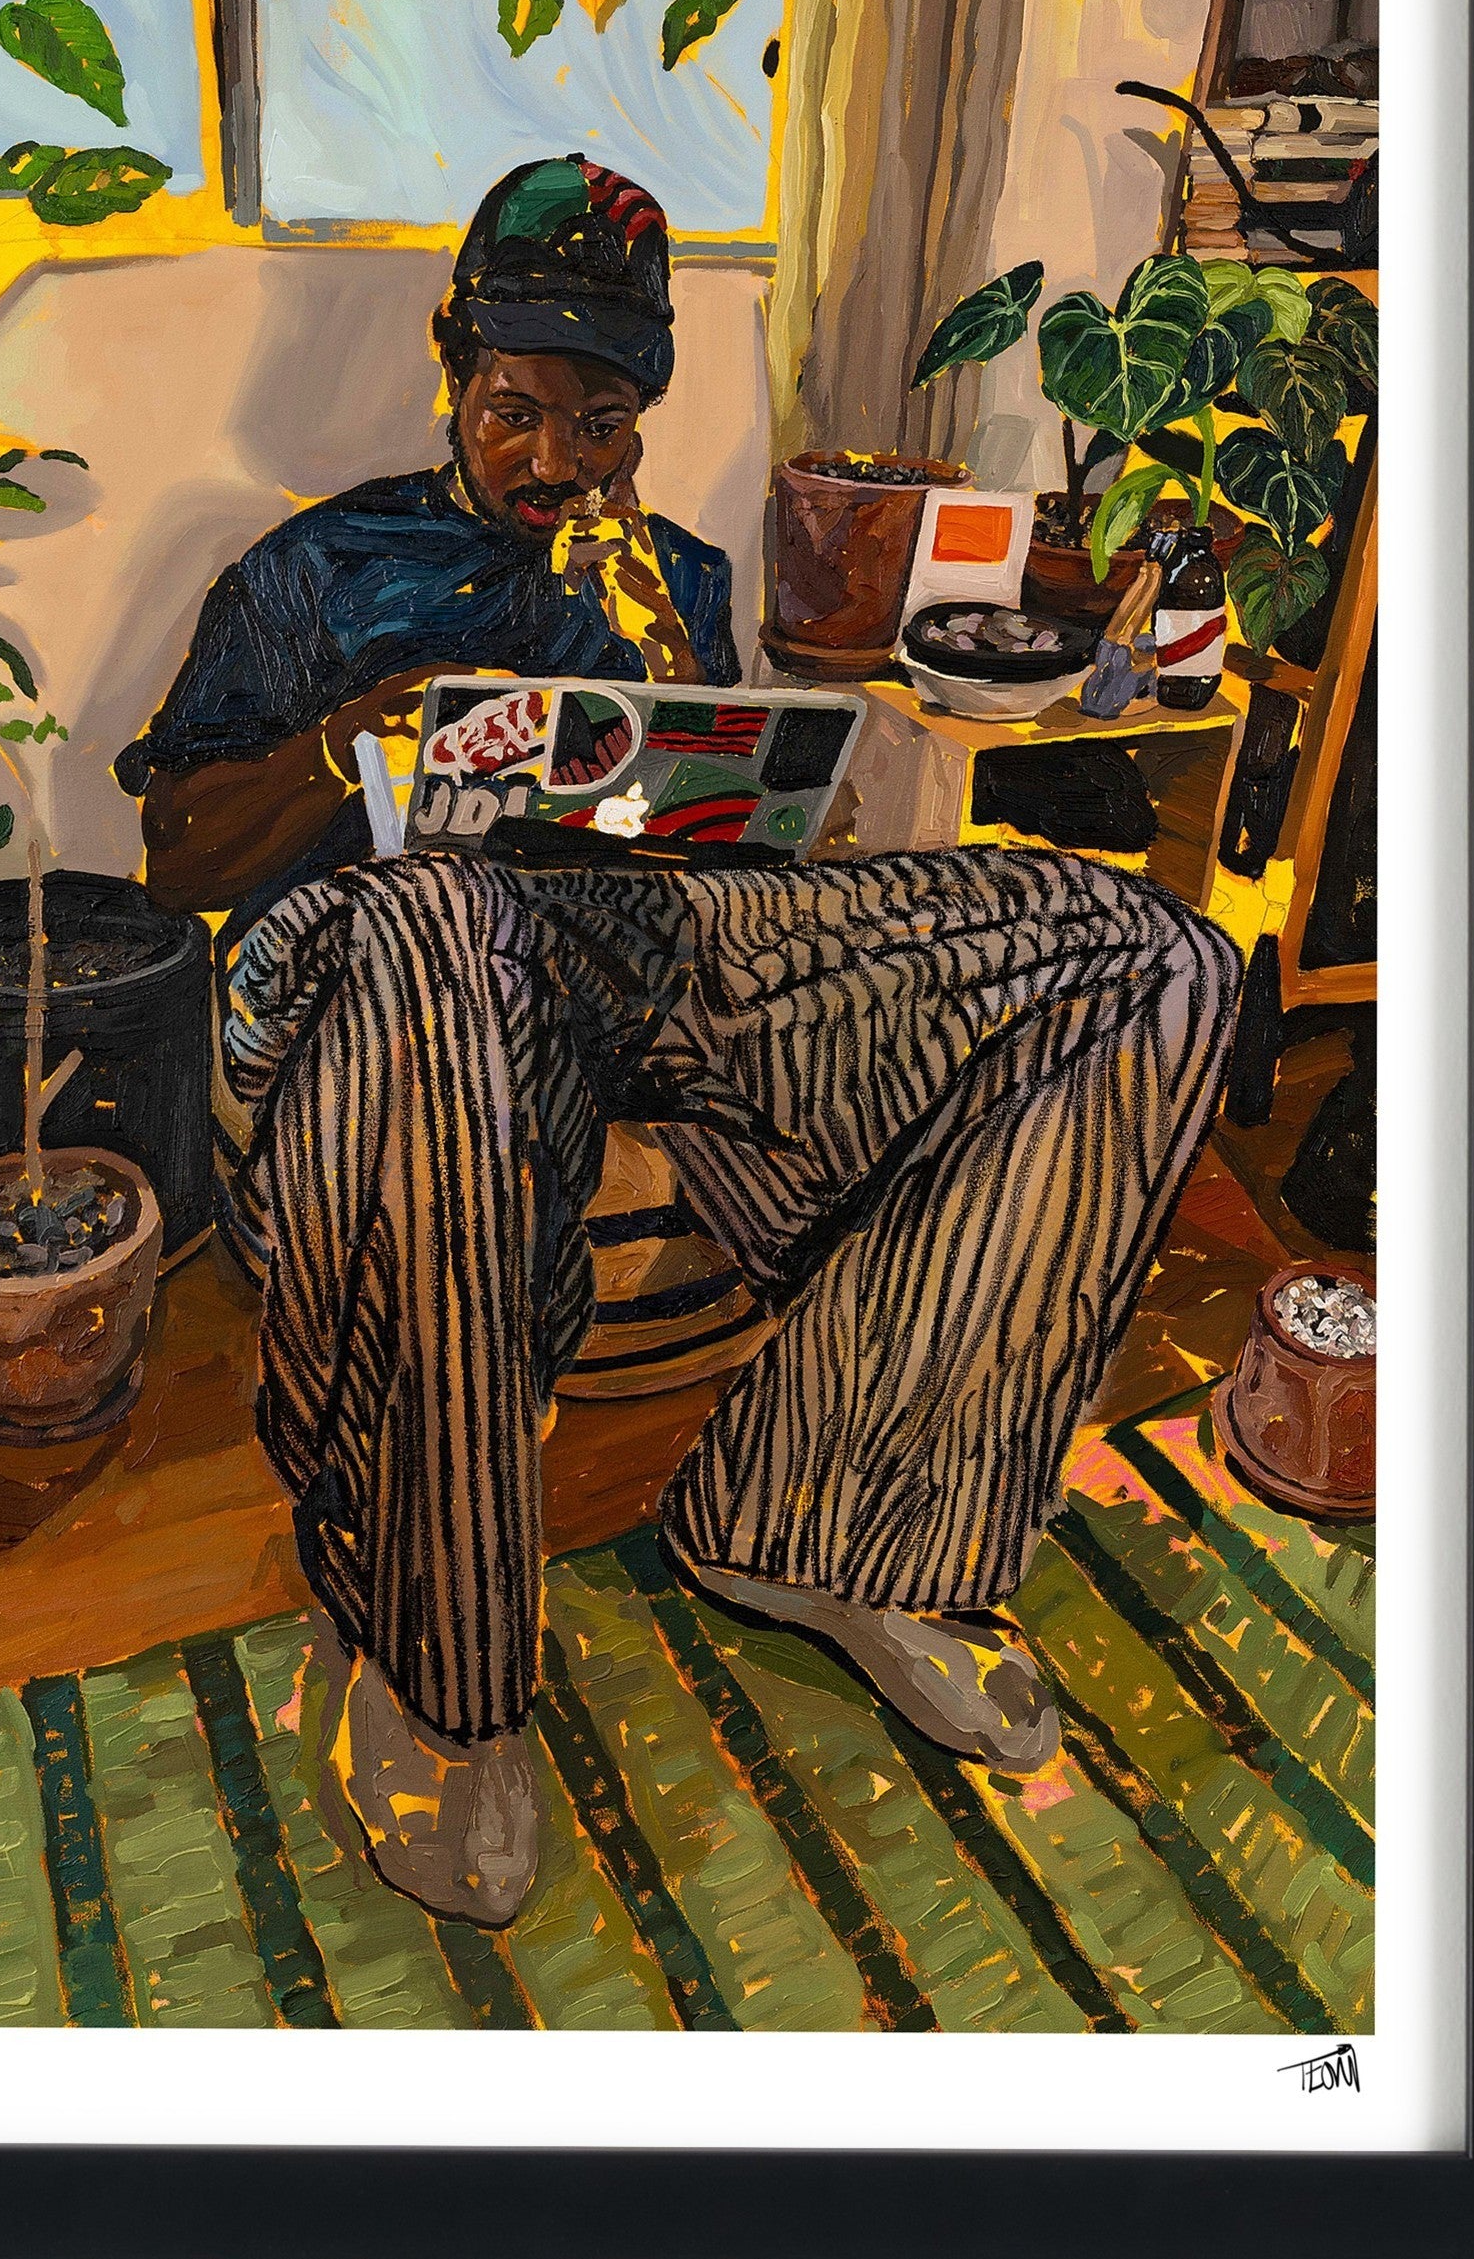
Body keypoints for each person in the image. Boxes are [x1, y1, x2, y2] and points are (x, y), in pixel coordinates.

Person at [119, 156, 1241, 1930]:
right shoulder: (317, 571)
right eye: (517, 409)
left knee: (1144, 950)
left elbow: (712, 848)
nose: (555, 457)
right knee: (449, 917)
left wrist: (753, 768)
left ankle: (831, 1525)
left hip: (652, 956)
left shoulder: (673, 573)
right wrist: (360, 736)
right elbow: (178, 853)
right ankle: (439, 1667)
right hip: (389, 968)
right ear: (452, 365)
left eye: (602, 423)